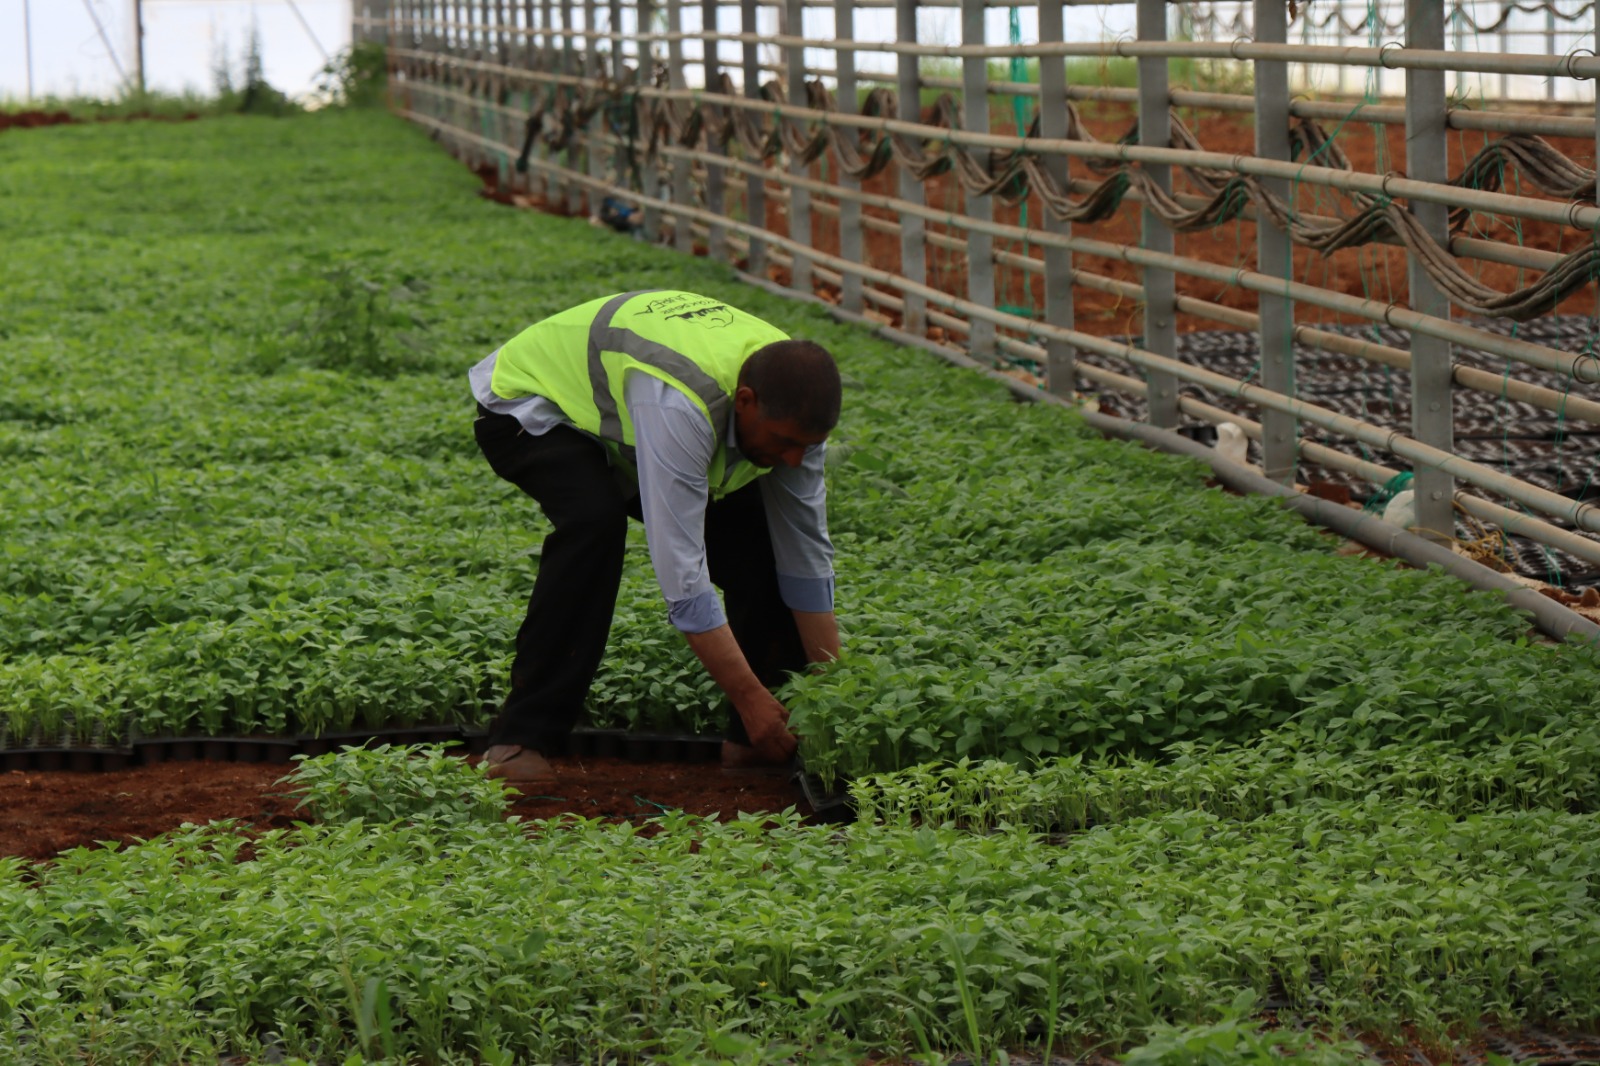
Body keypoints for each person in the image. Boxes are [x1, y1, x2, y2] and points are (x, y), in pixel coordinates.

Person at [468, 289, 843, 785]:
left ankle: (755, 743)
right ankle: (518, 740)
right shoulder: (680, 405)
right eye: (784, 443)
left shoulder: (795, 407)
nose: (795, 459)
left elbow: (805, 558)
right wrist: (750, 699)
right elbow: (684, 579)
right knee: (593, 525)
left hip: (623, 413)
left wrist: (836, 694)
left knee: (765, 549)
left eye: (807, 447)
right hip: (534, 403)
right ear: (746, 401)